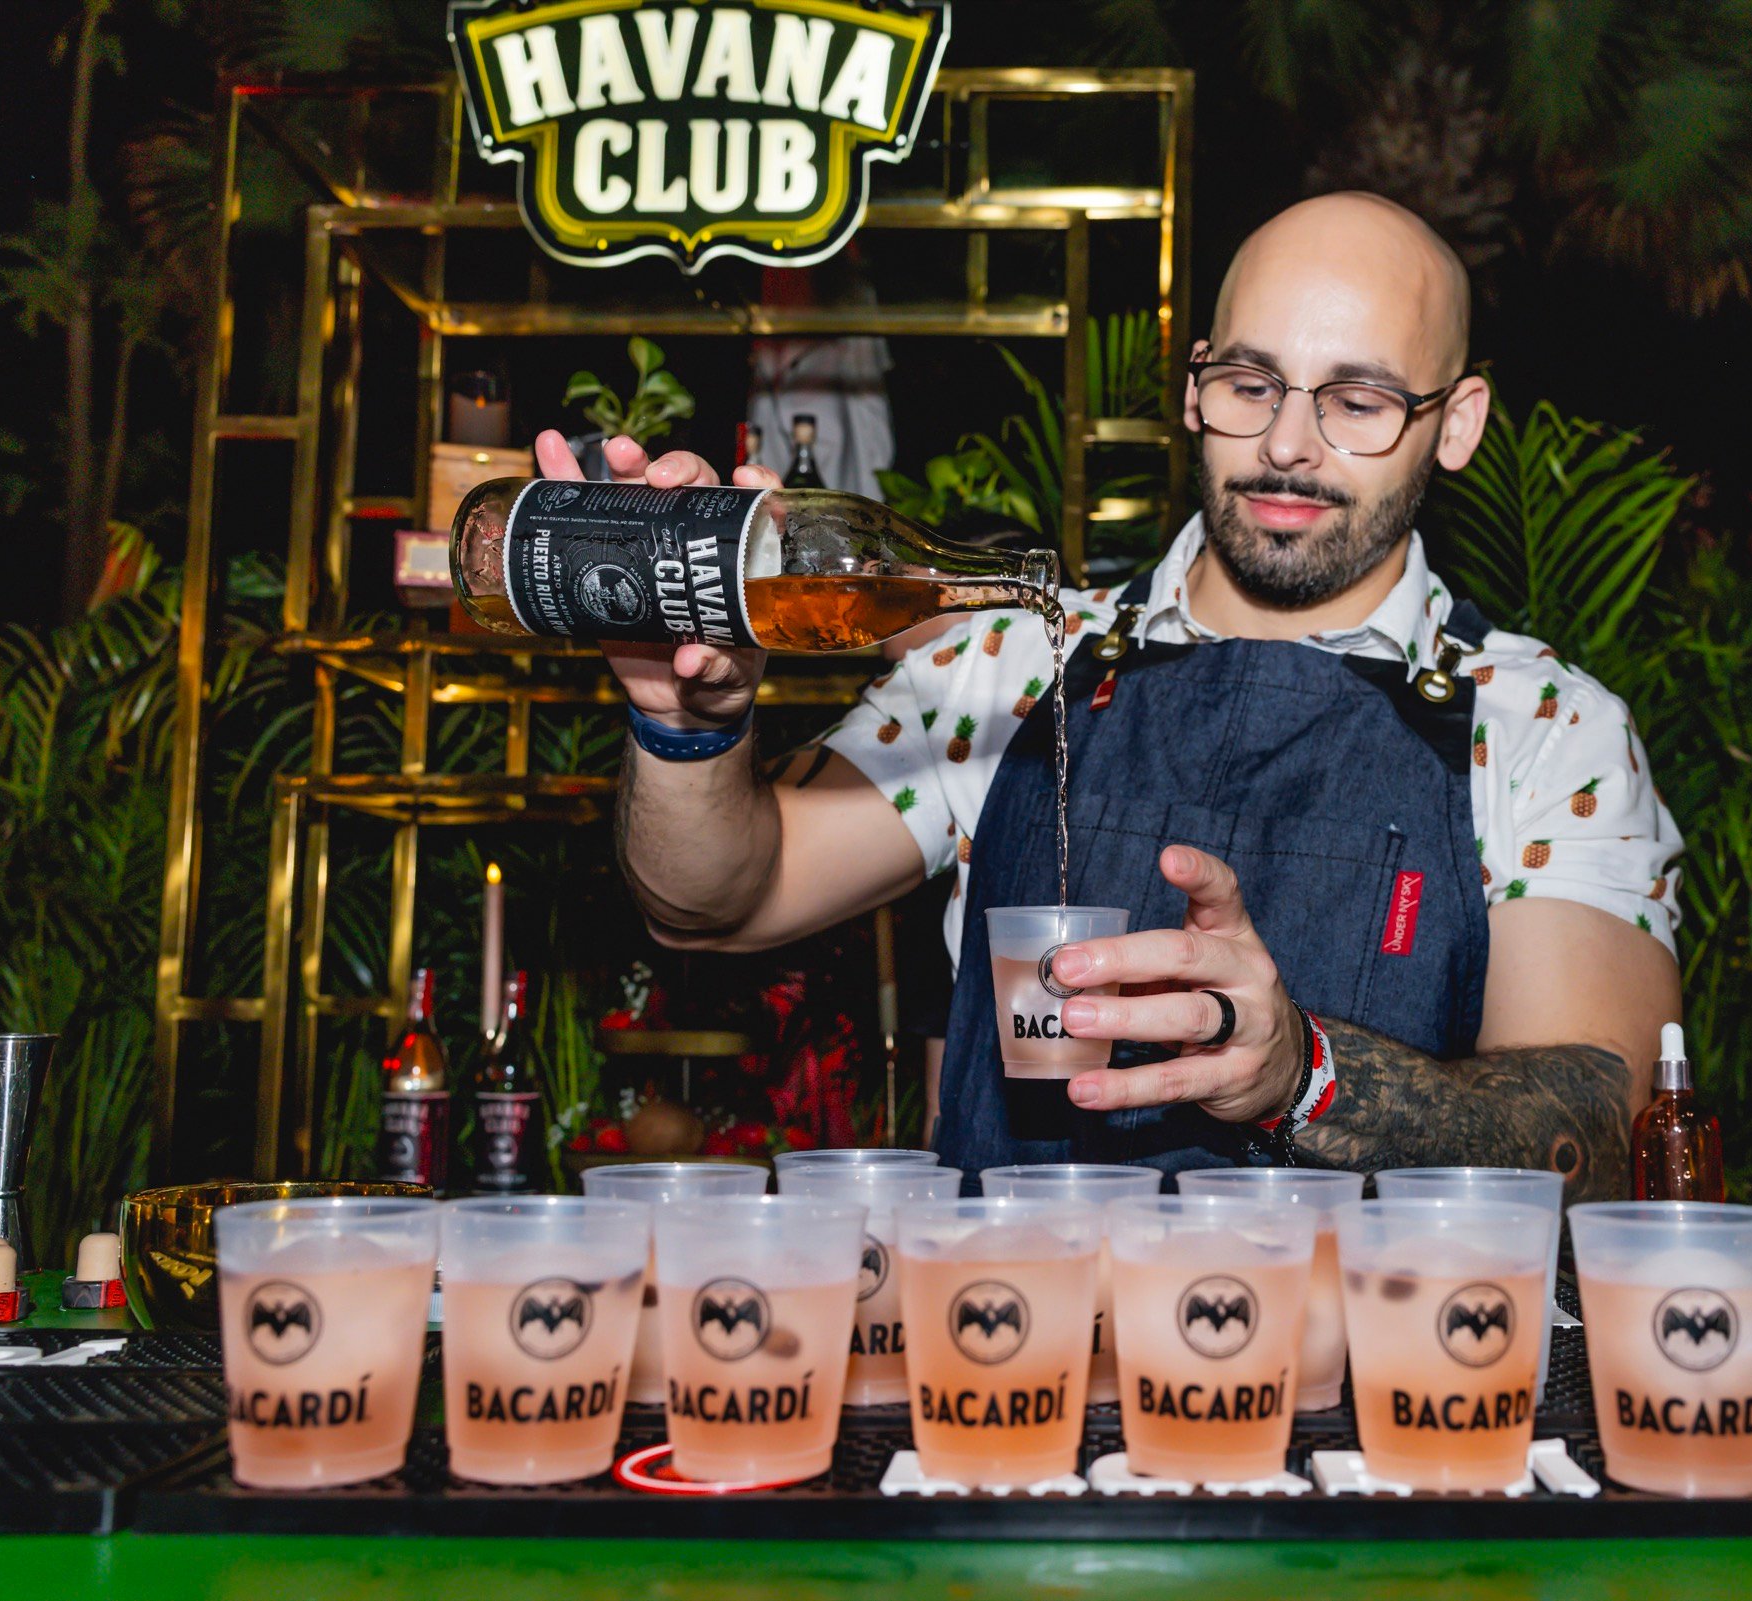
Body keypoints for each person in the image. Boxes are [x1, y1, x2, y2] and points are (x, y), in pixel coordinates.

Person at [536, 192, 1683, 1196]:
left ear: (1458, 423)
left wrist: (1305, 1073)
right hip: (1010, 1381)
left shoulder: (1544, 729)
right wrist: (688, 726)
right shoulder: (1013, 665)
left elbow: (1594, 1127)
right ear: (1194, 390)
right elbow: (719, 899)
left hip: (1380, 1409)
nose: (1287, 443)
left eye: (1360, 400)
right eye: (1251, 382)